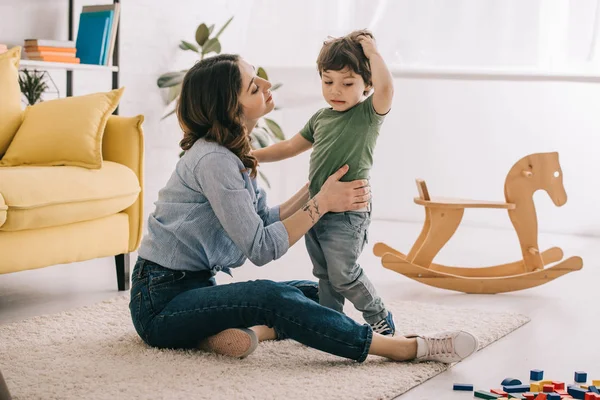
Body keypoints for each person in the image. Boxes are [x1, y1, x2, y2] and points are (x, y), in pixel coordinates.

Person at [129, 53, 479, 364]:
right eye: (253, 86)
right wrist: (323, 203)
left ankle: (247, 332)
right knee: (273, 297)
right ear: (231, 108)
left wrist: (319, 188)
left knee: (320, 294)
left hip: (195, 288)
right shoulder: (214, 161)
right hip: (160, 305)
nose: (265, 83)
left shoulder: (230, 154)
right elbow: (262, 248)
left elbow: (264, 220)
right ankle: (402, 348)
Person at [252, 30, 395, 334]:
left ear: (366, 85)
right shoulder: (321, 118)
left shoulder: (367, 115)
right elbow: (289, 146)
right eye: (328, 81)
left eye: (347, 83)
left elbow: (387, 89)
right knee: (325, 275)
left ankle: (378, 316)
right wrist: (252, 156)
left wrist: (372, 53)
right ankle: (329, 325)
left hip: (347, 214)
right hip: (316, 211)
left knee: (343, 274)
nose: (336, 90)